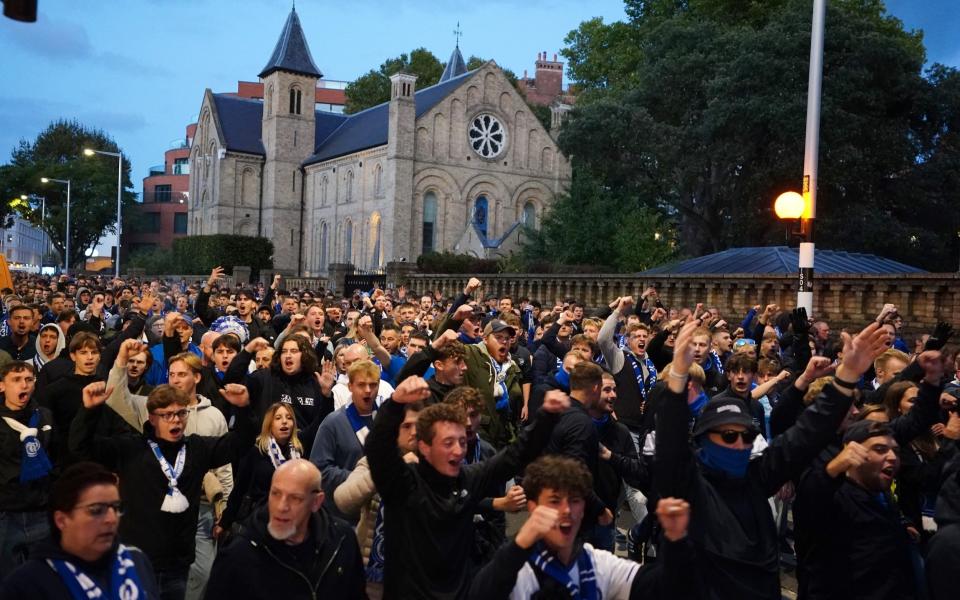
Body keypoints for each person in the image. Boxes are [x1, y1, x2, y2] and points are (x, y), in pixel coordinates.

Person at [654, 319, 890, 600]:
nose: (741, 444)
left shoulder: (755, 477)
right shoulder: (689, 486)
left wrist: (846, 378)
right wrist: (679, 376)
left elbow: (803, 436)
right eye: (729, 436)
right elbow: (670, 444)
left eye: (747, 436)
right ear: (704, 439)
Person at [366, 375, 568, 599]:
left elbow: (515, 456)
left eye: (462, 442)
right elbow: (378, 448)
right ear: (424, 446)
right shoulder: (402, 483)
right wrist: (395, 403)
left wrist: (546, 416)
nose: (459, 451)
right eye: (448, 443)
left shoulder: (468, 479)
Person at [70, 382, 254, 600]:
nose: (176, 420)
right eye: (167, 415)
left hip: (177, 565)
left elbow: (240, 444)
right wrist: (89, 411)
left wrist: (243, 409)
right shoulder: (130, 448)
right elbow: (80, 448)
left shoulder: (197, 448)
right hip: (136, 562)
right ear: (152, 418)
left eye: (181, 413)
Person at [468, 455, 696, 599]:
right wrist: (519, 545)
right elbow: (480, 594)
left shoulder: (596, 562)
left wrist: (676, 540)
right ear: (533, 506)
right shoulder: (517, 567)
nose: (567, 510)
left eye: (575, 500)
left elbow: (662, 586)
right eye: (555, 501)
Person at [796, 420, 921, 600]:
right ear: (850, 452)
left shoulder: (880, 493)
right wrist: (832, 469)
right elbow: (810, 496)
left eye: (896, 450)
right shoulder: (833, 499)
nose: (893, 457)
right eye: (879, 449)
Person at [205, 459, 365, 599]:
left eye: (295, 498)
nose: (281, 506)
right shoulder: (238, 556)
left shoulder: (342, 540)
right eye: (275, 494)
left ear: (316, 502)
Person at [0, 461, 160, 599]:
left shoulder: (136, 560)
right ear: (61, 520)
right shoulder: (26, 584)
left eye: (116, 507)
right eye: (97, 510)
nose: (111, 519)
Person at [334, 400, 422, 599]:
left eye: (419, 426)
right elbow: (343, 500)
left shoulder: (431, 465)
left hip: (412, 573)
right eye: (407, 426)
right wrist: (388, 469)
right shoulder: (370, 463)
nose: (414, 432)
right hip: (370, 573)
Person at [0, 361, 54, 578]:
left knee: (44, 583)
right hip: (5, 516)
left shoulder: (44, 416)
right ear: (1, 386)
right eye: (16, 380)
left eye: (29, 380)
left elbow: (56, 458)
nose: (24, 385)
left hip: (41, 511)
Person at [310, 359, 381, 520]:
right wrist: (363, 480)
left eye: (373, 385)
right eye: (361, 385)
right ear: (350, 387)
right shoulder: (333, 422)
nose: (368, 390)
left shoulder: (385, 421)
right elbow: (319, 470)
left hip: (374, 516)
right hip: (341, 516)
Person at [219, 402, 303, 534]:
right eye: (278, 418)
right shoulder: (256, 452)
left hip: (290, 521)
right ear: (269, 424)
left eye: (289, 417)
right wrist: (225, 522)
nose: (284, 422)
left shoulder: (298, 453)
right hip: (258, 522)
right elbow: (239, 488)